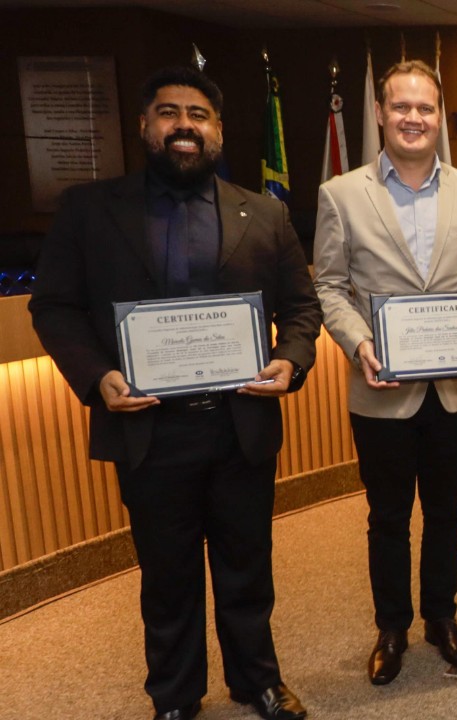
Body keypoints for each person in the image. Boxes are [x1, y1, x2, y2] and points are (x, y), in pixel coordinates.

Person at [28, 65, 318, 720]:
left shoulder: (265, 213)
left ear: (217, 130)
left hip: (239, 422)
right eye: (168, 112)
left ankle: (257, 683)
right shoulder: (90, 211)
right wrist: (96, 377)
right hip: (149, 427)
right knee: (168, 575)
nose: (183, 125)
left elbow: (302, 310)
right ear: (144, 124)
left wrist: (290, 361)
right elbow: (54, 309)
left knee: (248, 566)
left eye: (198, 114)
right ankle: (176, 697)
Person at [312, 60, 457, 685]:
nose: (414, 118)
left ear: (439, 115)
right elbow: (331, 287)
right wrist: (359, 342)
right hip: (380, 390)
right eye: (402, 107)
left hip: (454, 392)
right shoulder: (341, 194)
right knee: (388, 517)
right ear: (381, 114)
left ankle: (442, 620)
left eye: (425, 108)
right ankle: (391, 626)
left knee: (448, 513)